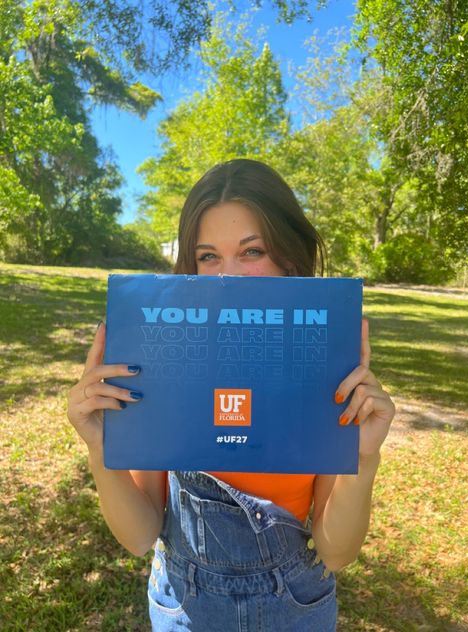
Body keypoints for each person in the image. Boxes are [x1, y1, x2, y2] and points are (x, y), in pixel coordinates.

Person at [67, 159, 395, 631]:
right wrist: (102, 447)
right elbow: (139, 535)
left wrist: (363, 459)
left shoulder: (323, 365)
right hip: (183, 607)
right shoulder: (163, 359)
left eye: (252, 251)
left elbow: (336, 552)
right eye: (208, 256)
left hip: (294, 606)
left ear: (288, 258)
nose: (229, 276)